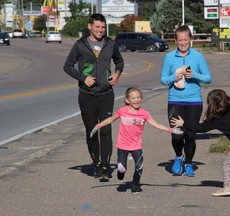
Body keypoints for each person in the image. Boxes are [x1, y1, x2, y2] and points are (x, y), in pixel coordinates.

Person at [63, 13, 124, 181]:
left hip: (106, 94)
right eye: (97, 27)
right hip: (86, 95)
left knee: (105, 131)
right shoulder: (80, 45)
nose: (100, 30)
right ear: (90, 27)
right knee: (92, 131)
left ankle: (105, 166)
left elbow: (119, 62)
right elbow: (67, 66)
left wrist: (117, 74)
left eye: (103, 27)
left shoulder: (110, 44)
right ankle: (96, 163)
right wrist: (83, 78)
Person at [90, 86, 183, 194]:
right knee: (121, 169)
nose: (136, 100)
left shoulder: (144, 113)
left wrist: (171, 130)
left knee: (140, 166)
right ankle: (121, 173)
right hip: (123, 145)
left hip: (136, 145)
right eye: (133, 98)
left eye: (138, 97)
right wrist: (98, 126)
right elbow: (111, 119)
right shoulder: (122, 111)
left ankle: (135, 184)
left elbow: (156, 124)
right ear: (127, 100)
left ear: (141, 99)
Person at [160, 25, 212, 177]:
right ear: (175, 40)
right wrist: (172, 78)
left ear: (190, 40)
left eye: (185, 39)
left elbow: (208, 78)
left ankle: (188, 162)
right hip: (175, 100)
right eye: (180, 40)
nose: (182, 43)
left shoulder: (197, 56)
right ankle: (178, 156)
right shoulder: (169, 57)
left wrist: (194, 75)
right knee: (177, 134)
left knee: (190, 135)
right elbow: (163, 79)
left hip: (194, 101)